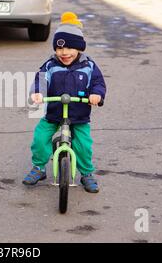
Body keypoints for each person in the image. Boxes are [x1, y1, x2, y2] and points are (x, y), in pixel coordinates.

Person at [23, 12, 107, 193]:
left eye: (69, 48)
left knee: (84, 145)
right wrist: (37, 93)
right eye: (59, 49)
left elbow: (98, 83)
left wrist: (96, 95)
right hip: (53, 112)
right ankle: (38, 167)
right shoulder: (51, 64)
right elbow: (41, 80)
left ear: (79, 48)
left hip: (79, 115)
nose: (64, 53)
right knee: (40, 138)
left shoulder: (88, 66)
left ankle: (86, 173)